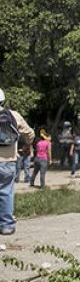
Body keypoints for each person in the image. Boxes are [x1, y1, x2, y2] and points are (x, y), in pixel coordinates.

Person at [0, 89, 36, 235]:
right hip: (8, 161)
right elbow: (30, 133)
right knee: (6, 191)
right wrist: (27, 144)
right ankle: (6, 225)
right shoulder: (13, 115)